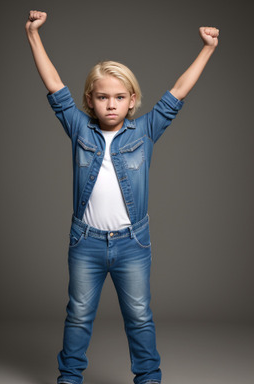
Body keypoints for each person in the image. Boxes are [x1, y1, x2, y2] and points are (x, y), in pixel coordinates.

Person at [25, 10, 219, 384]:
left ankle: (148, 378)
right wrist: (33, 33)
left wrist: (207, 49)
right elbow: (53, 84)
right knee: (79, 314)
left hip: (132, 243)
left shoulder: (145, 131)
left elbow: (178, 92)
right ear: (90, 100)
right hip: (86, 242)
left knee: (140, 315)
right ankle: (69, 378)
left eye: (118, 97)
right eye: (102, 97)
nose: (110, 104)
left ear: (132, 101)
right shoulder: (79, 127)